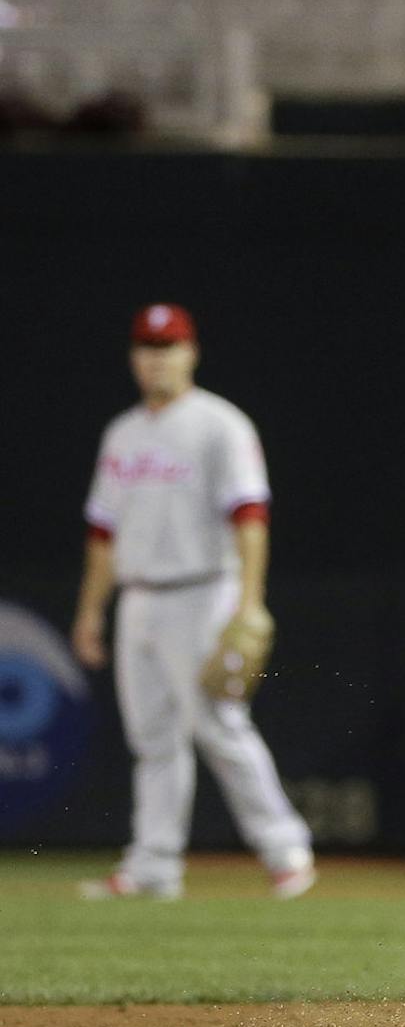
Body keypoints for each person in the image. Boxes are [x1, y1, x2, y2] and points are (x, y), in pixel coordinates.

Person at [72, 305, 316, 901]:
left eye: (169, 345)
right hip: (138, 599)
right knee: (152, 738)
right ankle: (154, 865)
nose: (157, 357)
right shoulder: (122, 432)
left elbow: (250, 516)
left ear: (192, 352)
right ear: (134, 356)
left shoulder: (219, 425)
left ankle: (286, 849)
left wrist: (250, 603)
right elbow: (103, 532)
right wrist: (90, 611)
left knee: (218, 724)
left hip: (205, 591)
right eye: (148, 346)